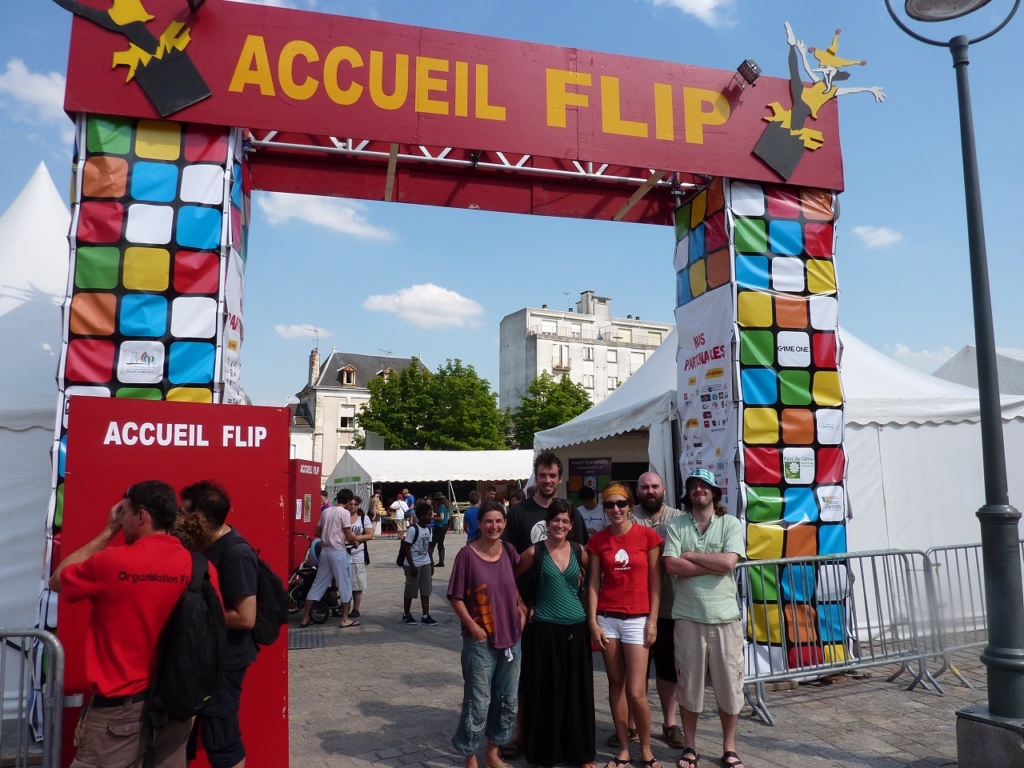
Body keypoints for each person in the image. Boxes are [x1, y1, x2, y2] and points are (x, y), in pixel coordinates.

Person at [49, 481, 210, 768]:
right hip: (177, 706)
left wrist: (108, 531)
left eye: (124, 513)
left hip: (118, 713)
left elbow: (58, 579)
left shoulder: (111, 562)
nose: (121, 520)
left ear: (141, 516)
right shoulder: (198, 567)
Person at [663, 469, 746, 768]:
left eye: (704, 485)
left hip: (725, 618)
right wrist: (715, 565)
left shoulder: (730, 523)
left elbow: (729, 562)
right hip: (688, 618)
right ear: (688, 493)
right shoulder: (677, 524)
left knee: (729, 688)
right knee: (689, 687)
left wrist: (692, 556)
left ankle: (729, 747)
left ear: (715, 492)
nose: (699, 489)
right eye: (693, 486)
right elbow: (672, 565)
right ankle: (690, 746)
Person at [178, 481, 258, 768]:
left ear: (199, 518)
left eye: (183, 512)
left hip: (225, 662)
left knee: (221, 738)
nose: (178, 518)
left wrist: (189, 617)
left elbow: (246, 616)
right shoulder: (202, 545)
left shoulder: (235, 553)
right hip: (202, 658)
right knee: (181, 737)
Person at [515, 500, 596, 768]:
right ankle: (542, 753)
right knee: (545, 693)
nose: (560, 525)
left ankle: (581, 753)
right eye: (556, 520)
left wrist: (588, 609)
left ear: (572, 525)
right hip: (544, 631)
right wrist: (524, 606)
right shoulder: (533, 552)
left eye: (565, 521)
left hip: (576, 630)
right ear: (547, 523)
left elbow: (593, 581)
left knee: (576, 694)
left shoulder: (579, 551)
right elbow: (510, 581)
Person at [587, 482, 663, 768]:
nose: (615, 509)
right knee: (615, 683)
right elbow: (594, 583)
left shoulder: (648, 537)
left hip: (638, 619)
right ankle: (623, 747)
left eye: (621, 504)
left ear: (631, 506)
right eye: (609, 504)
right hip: (607, 618)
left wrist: (653, 620)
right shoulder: (598, 541)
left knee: (636, 690)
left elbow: (657, 583)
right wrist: (592, 619)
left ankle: (645, 747)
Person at [448, 501, 527, 768]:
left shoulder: (510, 551)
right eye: (489, 521)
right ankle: (471, 756)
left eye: (499, 521)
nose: (494, 526)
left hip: (511, 639)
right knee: (477, 702)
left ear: (504, 524)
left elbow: (514, 583)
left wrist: (522, 609)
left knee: (507, 700)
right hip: (480, 641)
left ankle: (493, 753)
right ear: (479, 524)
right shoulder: (466, 555)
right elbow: (456, 597)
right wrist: (473, 626)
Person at [629, 471, 686, 749]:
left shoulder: (678, 518)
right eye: (644, 487)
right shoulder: (628, 517)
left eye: (654, 486)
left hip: (669, 607)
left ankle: (669, 723)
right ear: (637, 491)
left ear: (663, 488)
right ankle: (630, 726)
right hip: (634, 607)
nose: (650, 491)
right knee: (634, 672)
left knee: (667, 669)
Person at [503, 450, 587, 555]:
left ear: (560, 479)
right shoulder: (517, 512)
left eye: (552, 475)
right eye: (542, 475)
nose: (547, 480)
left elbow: (580, 551)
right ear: (536, 478)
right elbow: (507, 554)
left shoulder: (571, 511)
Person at [299, 488, 360, 628]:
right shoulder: (344, 513)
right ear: (349, 500)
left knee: (318, 584)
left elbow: (316, 532)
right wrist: (355, 542)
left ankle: (305, 617)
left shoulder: (326, 511)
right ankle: (345, 619)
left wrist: (328, 537)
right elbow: (348, 534)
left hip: (325, 551)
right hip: (338, 551)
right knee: (344, 583)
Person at [399, 501, 437, 626]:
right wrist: (412, 566)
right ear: (421, 516)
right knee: (411, 589)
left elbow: (429, 548)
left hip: (425, 562)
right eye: (428, 515)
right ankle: (406, 614)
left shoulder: (429, 529)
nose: (431, 517)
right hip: (413, 564)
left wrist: (431, 563)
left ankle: (425, 615)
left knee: (426, 590)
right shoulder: (413, 529)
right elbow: (406, 548)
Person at [348, 498, 375, 620]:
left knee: (357, 583)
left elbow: (370, 534)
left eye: (355, 504)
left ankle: (356, 609)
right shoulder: (344, 516)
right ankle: (343, 607)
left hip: (358, 554)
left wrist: (356, 538)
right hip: (343, 554)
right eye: (351, 504)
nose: (353, 506)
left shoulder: (363, 518)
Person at [430, 492, 451, 567]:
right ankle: (441, 561)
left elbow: (441, 517)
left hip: (440, 526)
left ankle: (430, 561)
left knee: (432, 544)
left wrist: (432, 518)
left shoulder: (441, 506)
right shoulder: (445, 506)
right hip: (444, 526)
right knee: (440, 543)